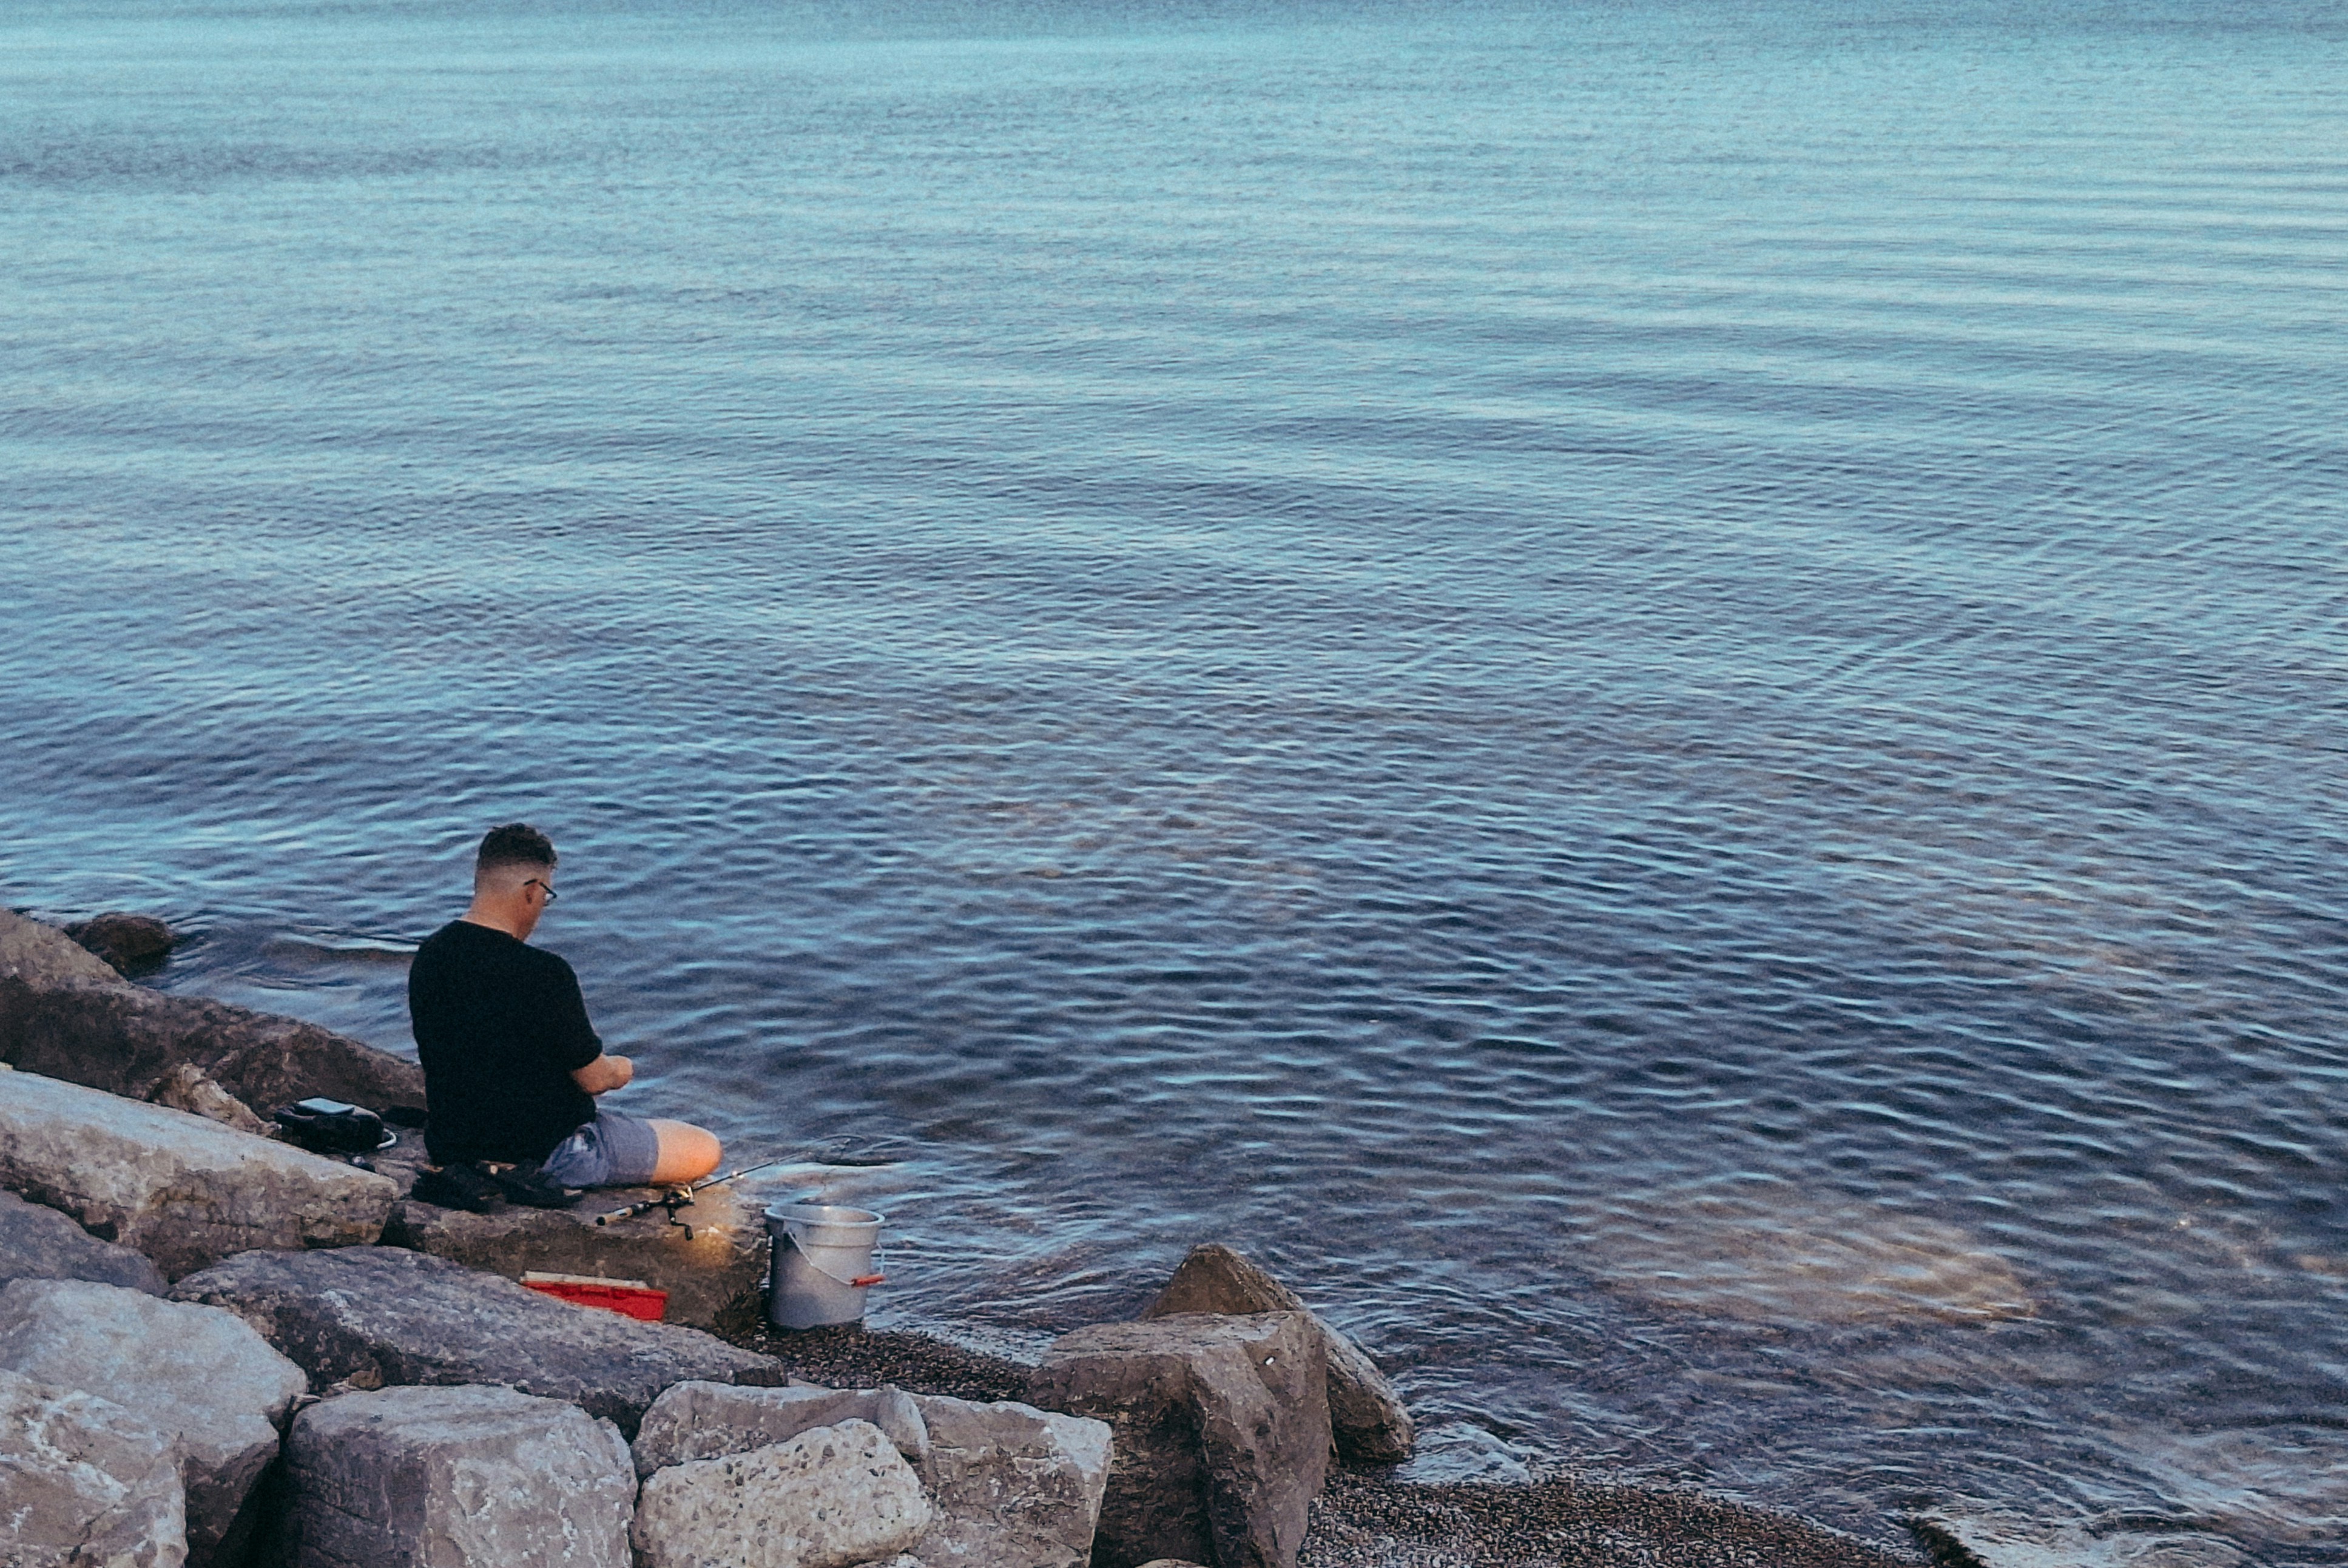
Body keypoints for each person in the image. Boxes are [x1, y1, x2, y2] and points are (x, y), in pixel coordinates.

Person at [408, 823, 720, 1194]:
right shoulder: (545, 973)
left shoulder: (431, 955)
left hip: (455, 1147)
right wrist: (622, 1068)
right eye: (546, 896)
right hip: (550, 1154)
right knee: (704, 1147)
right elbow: (594, 1080)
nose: (542, 907)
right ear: (531, 891)